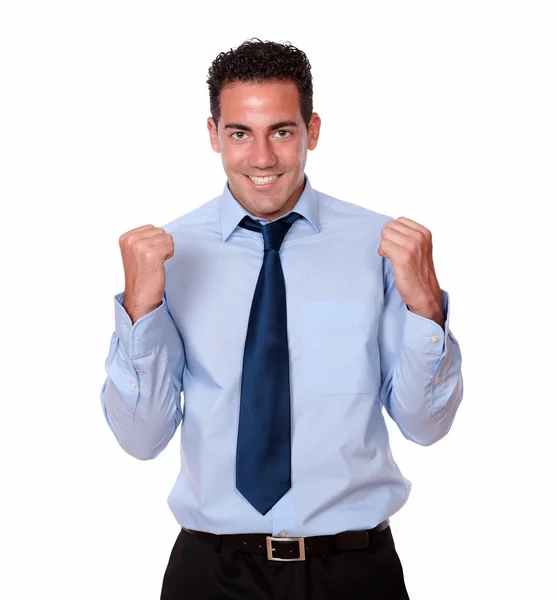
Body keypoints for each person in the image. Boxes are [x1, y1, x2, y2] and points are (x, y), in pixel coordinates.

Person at [100, 38, 464, 600]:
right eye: (240, 133)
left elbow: (425, 425)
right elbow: (142, 438)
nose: (263, 157)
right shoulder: (168, 254)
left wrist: (426, 306)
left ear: (312, 131)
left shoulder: (380, 246)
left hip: (353, 571)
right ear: (214, 134)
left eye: (283, 131)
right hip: (211, 572)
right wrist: (141, 309)